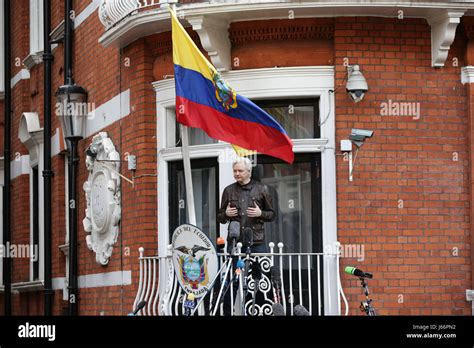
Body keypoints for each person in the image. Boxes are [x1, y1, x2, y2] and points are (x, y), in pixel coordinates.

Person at [218, 157, 275, 253]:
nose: (237, 174)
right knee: (236, 268)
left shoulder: (261, 189)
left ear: (249, 172)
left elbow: (272, 215)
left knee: (260, 268)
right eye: (235, 171)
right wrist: (226, 214)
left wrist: (260, 213)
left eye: (240, 171)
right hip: (235, 241)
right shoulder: (228, 190)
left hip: (256, 241)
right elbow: (220, 218)